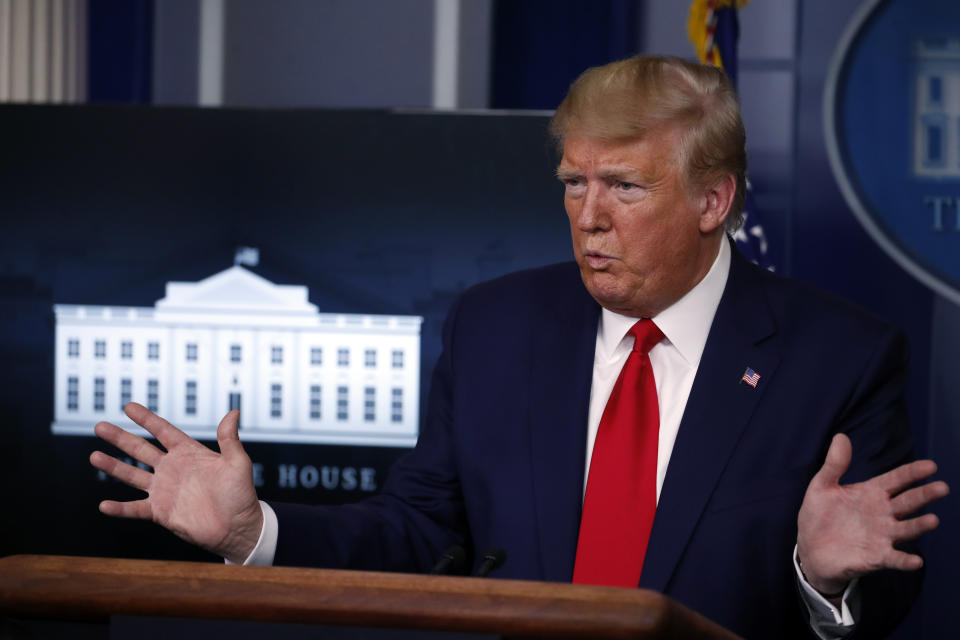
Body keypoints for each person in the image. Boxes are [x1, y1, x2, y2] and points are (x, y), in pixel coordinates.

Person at [90, 56, 948, 639]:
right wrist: (255, 529)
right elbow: (417, 533)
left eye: (624, 186)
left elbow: (888, 598)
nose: (588, 215)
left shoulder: (839, 355)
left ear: (713, 200)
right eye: (575, 182)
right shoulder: (495, 326)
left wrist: (822, 578)